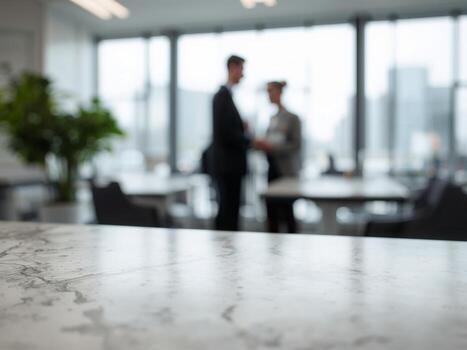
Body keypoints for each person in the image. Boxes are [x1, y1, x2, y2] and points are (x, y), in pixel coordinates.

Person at [211, 55, 251, 231]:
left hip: (229, 166)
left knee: (230, 211)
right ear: (232, 68)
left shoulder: (227, 96)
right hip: (228, 167)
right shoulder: (222, 96)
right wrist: (248, 139)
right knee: (228, 212)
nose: (243, 74)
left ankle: (227, 254)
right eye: (241, 69)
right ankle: (224, 255)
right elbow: (224, 133)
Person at [258, 81, 302, 233]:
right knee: (271, 212)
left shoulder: (292, 118)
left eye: (271, 91)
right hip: (272, 169)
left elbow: (296, 144)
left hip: (286, 171)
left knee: (288, 212)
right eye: (267, 91)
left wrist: (275, 147)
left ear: (279, 93)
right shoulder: (272, 118)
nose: (268, 95)